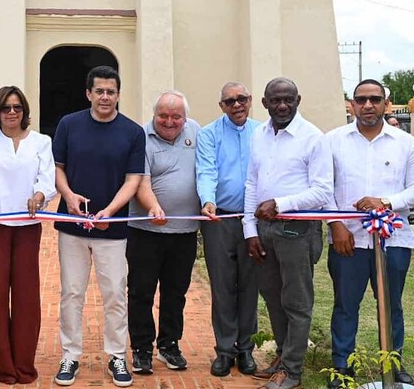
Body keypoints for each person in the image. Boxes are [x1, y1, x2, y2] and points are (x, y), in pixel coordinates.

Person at [324, 79, 414, 388]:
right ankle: (343, 366)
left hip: (393, 239)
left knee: (391, 303)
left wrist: (386, 202)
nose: (367, 105)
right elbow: (323, 187)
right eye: (361, 99)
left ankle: (393, 363)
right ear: (351, 104)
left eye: (374, 99)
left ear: (387, 104)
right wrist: (336, 225)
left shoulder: (405, 143)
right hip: (348, 240)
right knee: (345, 304)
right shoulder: (333, 141)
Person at [52, 65, 145, 388]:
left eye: (111, 91)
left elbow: (134, 180)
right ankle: (70, 355)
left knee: (115, 294)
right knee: (72, 293)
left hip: (113, 229)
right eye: (99, 91)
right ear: (88, 93)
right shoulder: (68, 125)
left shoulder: (133, 132)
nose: (105, 97)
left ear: (118, 94)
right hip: (72, 226)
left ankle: (117, 355)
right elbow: (58, 169)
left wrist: (110, 211)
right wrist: (68, 196)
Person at [242, 78, 333, 389]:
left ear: (298, 100)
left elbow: (322, 191)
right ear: (265, 103)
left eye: (288, 100)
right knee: (273, 298)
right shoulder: (259, 134)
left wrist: (280, 204)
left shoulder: (313, 138)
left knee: (296, 302)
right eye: (275, 100)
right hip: (264, 230)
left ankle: (293, 371)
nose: (282, 106)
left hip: (297, 230)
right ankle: (282, 356)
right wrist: (249, 230)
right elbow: (252, 184)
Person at [0, 86, 56, 384]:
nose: (12, 113)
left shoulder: (40, 141)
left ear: (24, 110)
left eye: (17, 107)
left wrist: (38, 197)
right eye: (5, 108)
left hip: (27, 227)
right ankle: (3, 367)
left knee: (26, 298)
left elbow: (46, 178)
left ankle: (24, 365)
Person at [127, 91, 201, 375]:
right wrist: (154, 207)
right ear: (154, 114)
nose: (169, 122)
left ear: (185, 117)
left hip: (184, 232)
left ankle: (169, 344)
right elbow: (141, 182)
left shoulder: (196, 132)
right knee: (141, 291)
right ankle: (142, 348)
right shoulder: (140, 137)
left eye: (176, 116)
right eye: (163, 116)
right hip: (145, 230)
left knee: (176, 292)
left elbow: (205, 170)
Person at [196, 82, 260, 377]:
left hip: (255, 222)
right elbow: (206, 170)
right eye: (230, 101)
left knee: (249, 286)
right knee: (222, 287)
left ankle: (245, 349)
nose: (237, 105)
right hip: (219, 219)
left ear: (250, 101)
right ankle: (224, 350)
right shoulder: (209, 134)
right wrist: (207, 200)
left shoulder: (263, 132)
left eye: (242, 99)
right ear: (221, 105)